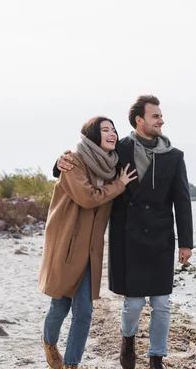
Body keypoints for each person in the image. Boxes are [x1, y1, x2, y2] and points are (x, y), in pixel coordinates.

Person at [55, 95, 194, 369]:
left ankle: (156, 358)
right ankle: (128, 339)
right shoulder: (119, 148)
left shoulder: (174, 157)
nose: (161, 120)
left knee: (162, 304)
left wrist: (186, 242)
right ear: (139, 120)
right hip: (128, 239)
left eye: (161, 115)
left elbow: (183, 200)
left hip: (161, 239)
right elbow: (85, 159)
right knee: (132, 306)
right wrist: (58, 162)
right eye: (156, 116)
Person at [39, 116, 137, 369]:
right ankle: (48, 342)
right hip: (67, 244)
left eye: (114, 129)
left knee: (84, 312)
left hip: (92, 250)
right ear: (92, 135)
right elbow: (86, 198)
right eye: (105, 130)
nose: (112, 133)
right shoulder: (73, 160)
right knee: (59, 306)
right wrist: (119, 186)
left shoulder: (113, 166)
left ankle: (72, 364)